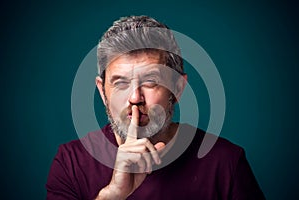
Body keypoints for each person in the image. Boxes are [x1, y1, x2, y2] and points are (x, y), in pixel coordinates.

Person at [46, 15, 265, 200]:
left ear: (177, 89)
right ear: (103, 92)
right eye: (121, 83)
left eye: (151, 82)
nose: (135, 98)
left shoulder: (225, 161)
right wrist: (112, 194)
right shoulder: (70, 162)